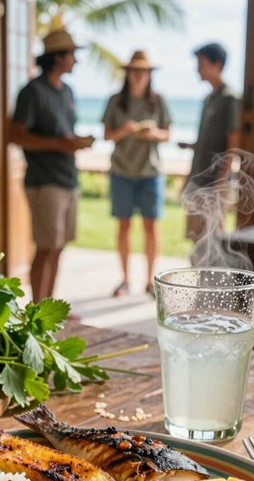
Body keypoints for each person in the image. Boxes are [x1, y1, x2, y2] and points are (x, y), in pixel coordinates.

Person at [8, 28, 94, 304]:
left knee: (58, 247)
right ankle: (36, 311)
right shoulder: (32, 92)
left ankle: (49, 307)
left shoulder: (67, 91)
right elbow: (16, 136)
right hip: (44, 182)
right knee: (45, 247)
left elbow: (64, 134)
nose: (75, 61)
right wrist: (60, 144)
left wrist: (74, 143)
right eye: (71, 55)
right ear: (57, 57)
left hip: (68, 178)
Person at [101, 50, 171, 297]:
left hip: (150, 172)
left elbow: (167, 133)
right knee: (124, 226)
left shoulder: (158, 101)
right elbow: (107, 134)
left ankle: (151, 281)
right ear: (128, 73)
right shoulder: (115, 101)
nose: (139, 76)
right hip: (121, 172)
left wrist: (153, 134)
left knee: (151, 227)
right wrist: (124, 130)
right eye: (135, 71)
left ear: (149, 75)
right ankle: (124, 279)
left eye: (143, 72)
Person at [179, 42, 241, 249]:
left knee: (212, 239)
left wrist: (221, 182)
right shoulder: (208, 99)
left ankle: (210, 281)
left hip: (215, 182)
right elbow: (208, 142)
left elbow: (233, 144)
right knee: (196, 237)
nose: (198, 69)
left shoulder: (229, 98)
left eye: (201, 63)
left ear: (217, 64)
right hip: (199, 178)